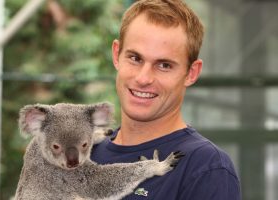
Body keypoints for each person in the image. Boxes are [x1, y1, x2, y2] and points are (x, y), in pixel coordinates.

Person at [91, 0, 241, 199]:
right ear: (116, 54)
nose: (143, 78)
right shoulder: (83, 154)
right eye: (135, 58)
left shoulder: (205, 167)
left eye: (164, 65)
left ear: (191, 73)